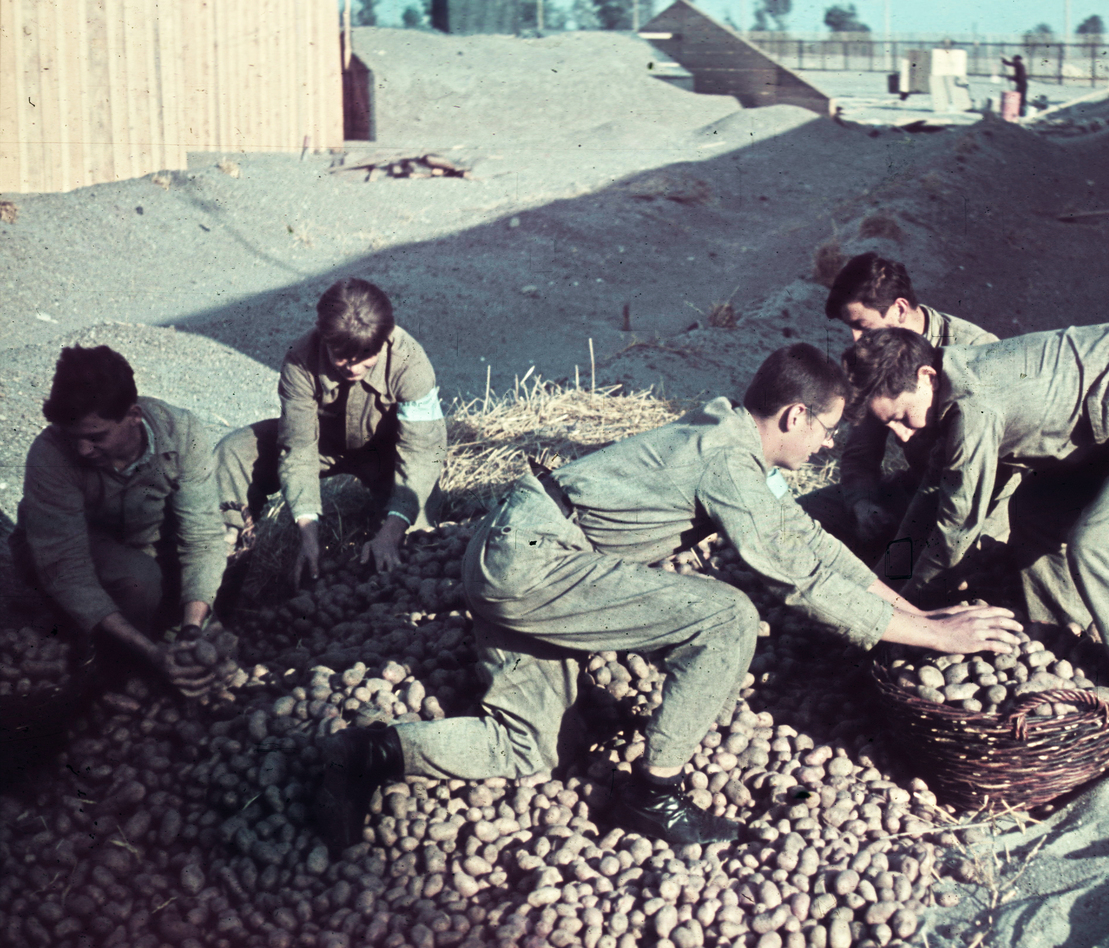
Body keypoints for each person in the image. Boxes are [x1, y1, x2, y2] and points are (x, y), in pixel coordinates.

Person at [314, 344, 1023, 849]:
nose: (829, 449)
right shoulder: (729, 462)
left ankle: (365, 755)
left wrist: (917, 614)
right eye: (828, 431)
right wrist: (935, 641)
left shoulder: (735, 438)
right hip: (534, 565)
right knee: (727, 615)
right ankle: (655, 790)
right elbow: (797, 580)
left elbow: (807, 543)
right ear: (794, 416)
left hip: (521, 555)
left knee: (525, 750)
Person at [841, 318, 1109, 809]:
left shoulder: (974, 407)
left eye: (903, 417)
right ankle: (1073, 655)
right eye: (886, 423)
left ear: (928, 378)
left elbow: (955, 530)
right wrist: (885, 583)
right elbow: (933, 495)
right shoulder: (948, 395)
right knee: (1035, 513)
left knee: (1104, 549)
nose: (900, 434)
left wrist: (907, 609)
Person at [10, 346, 226, 694]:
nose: (83, 450)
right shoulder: (48, 454)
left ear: (134, 416)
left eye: (96, 437)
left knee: (203, 609)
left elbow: (202, 538)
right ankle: (104, 659)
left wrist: (191, 630)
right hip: (63, 552)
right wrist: (148, 653)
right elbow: (66, 566)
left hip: (143, 546)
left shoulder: (182, 433)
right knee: (138, 581)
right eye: (73, 436)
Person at [214, 278, 445, 585]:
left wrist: (392, 530)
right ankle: (217, 598)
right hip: (322, 445)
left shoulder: (410, 362)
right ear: (323, 336)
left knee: (418, 542)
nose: (353, 367)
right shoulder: (300, 359)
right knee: (234, 453)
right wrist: (308, 534)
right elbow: (298, 449)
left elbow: (422, 454)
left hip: (387, 454)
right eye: (342, 357)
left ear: (385, 338)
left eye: (365, 358)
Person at [801, 252, 999, 561]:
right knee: (803, 517)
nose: (855, 339)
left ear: (900, 308)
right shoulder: (869, 357)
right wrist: (863, 504)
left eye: (861, 325)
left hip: (977, 502)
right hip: (917, 489)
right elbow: (860, 453)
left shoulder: (978, 351)